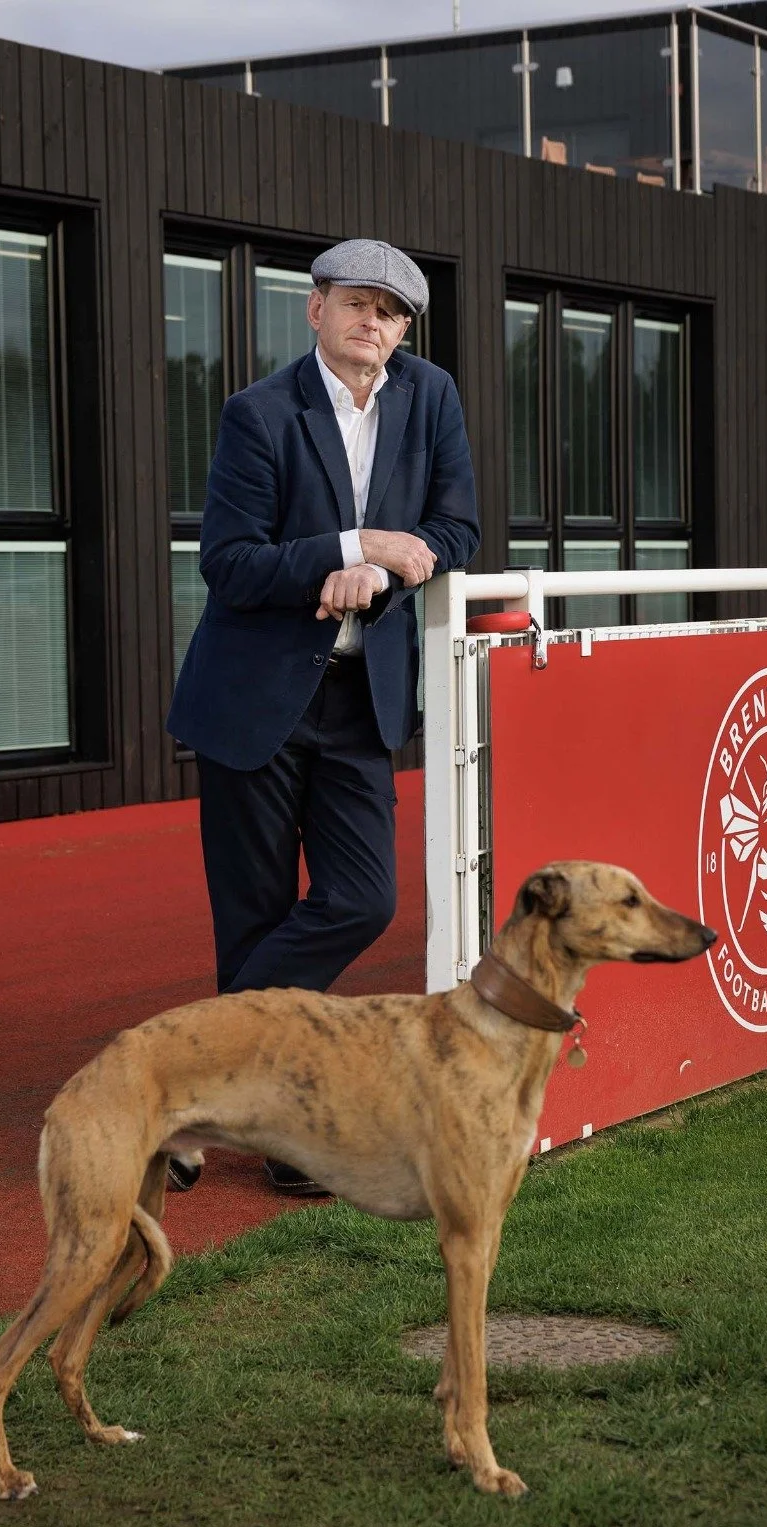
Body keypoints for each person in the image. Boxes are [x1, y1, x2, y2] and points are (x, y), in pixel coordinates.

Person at [165, 238, 480, 1193]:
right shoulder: (258, 413)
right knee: (253, 916)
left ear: (404, 329)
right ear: (315, 310)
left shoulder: (430, 397)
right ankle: (282, 1136)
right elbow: (229, 563)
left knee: (361, 898)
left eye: (389, 312)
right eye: (355, 303)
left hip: (358, 697)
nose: (371, 323)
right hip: (252, 699)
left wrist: (378, 572)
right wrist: (350, 544)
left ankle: (180, 1082)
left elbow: (455, 528)